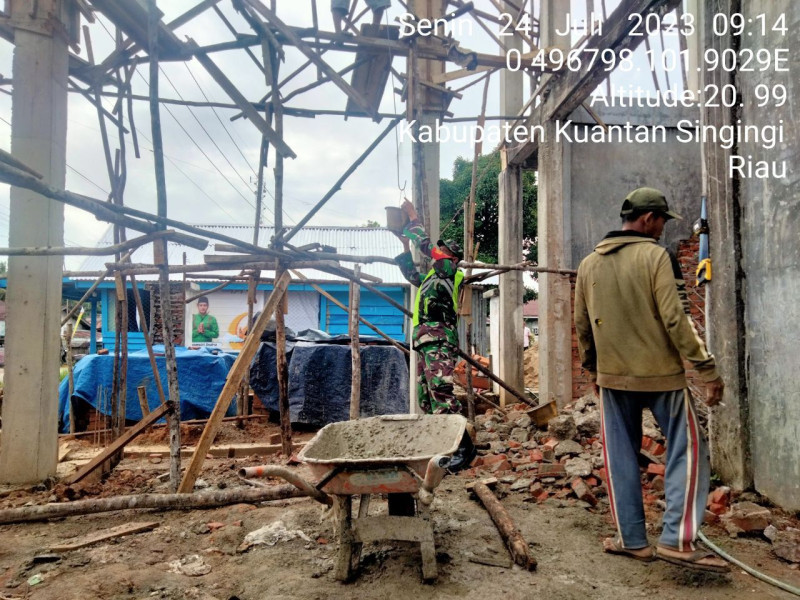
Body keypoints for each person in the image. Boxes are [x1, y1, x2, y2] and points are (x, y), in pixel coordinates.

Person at [574, 187, 728, 572]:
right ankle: (677, 540)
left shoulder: (589, 264)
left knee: (620, 457)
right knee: (688, 452)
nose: (662, 228)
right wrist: (707, 369)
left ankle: (633, 540)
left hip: (613, 378)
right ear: (647, 219)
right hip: (662, 376)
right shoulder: (658, 256)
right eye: (662, 220)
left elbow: (582, 327)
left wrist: (594, 371)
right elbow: (678, 319)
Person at [394, 199, 464, 415]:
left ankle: (461, 445)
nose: (439, 251)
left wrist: (414, 218)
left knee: (441, 391)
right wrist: (405, 246)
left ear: (452, 258)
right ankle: (441, 441)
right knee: (426, 396)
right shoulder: (433, 277)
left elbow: (427, 247)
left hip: (439, 337)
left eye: (444, 250)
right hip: (425, 339)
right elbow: (412, 275)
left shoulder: (451, 271)